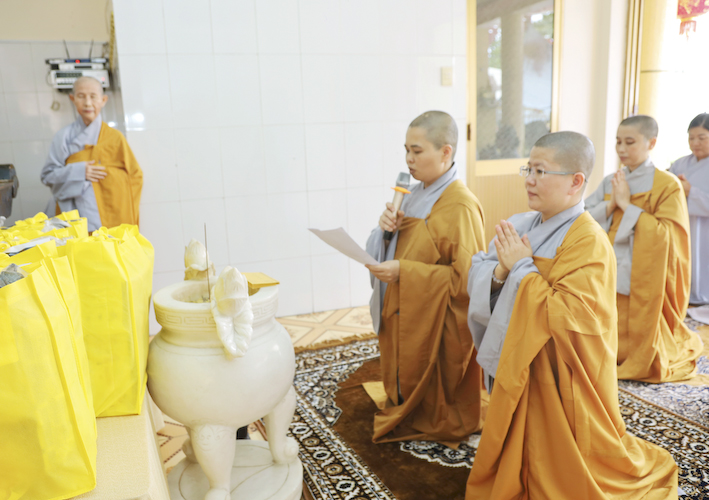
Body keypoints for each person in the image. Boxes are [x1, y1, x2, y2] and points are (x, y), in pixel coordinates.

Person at [466, 132, 677, 499]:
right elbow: (478, 270)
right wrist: (501, 271)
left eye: (541, 171)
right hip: (518, 364)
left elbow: (572, 316)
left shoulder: (588, 241)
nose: (530, 180)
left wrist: (522, 269)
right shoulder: (521, 223)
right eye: (528, 169)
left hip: (556, 377)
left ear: (576, 181)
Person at [365, 110, 486, 443]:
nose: (409, 159)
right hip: (404, 306)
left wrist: (405, 272)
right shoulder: (414, 194)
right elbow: (396, 247)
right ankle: (404, 399)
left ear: (446, 152)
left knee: (439, 401)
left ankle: (436, 414)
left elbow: (467, 281)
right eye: (407, 150)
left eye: (417, 151)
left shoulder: (461, 205)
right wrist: (385, 232)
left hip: (435, 319)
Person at [585, 115, 702, 383]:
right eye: (618, 142)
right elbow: (584, 218)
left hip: (643, 268)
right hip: (607, 260)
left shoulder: (666, 184)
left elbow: (668, 235)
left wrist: (627, 206)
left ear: (651, 143)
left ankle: (637, 354)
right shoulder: (612, 180)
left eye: (629, 142)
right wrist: (611, 204)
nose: (621, 149)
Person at [40, 76, 142, 232]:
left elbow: (135, 176)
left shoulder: (115, 137)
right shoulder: (63, 137)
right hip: (74, 218)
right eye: (81, 96)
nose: (87, 103)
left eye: (93, 96)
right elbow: (47, 176)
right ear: (73, 99)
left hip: (112, 215)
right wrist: (79, 171)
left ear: (103, 100)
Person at [670, 112, 709, 305]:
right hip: (682, 225)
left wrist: (690, 191)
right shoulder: (680, 164)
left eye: (702, 138)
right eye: (691, 138)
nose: (695, 143)